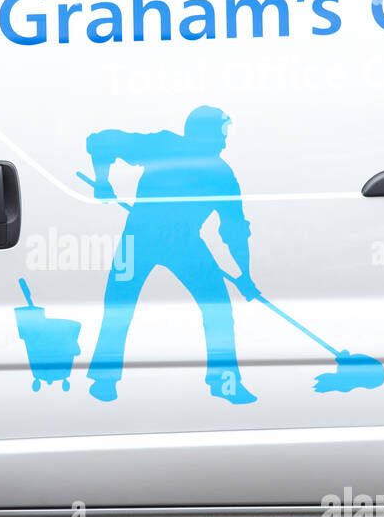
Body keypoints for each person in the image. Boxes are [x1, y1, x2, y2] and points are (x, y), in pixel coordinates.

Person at [85, 105, 260, 404]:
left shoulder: (218, 172)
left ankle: (224, 381)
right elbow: (99, 141)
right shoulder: (170, 148)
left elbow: (233, 231)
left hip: (181, 242)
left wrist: (245, 274)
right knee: (119, 304)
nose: (225, 140)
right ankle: (104, 378)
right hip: (138, 239)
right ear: (206, 133)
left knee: (216, 307)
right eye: (222, 132)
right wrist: (102, 181)